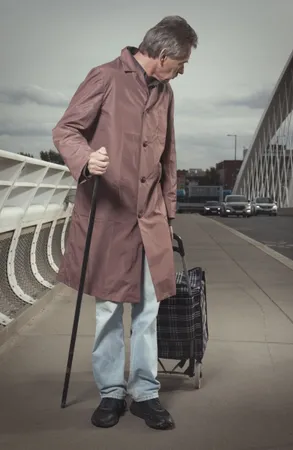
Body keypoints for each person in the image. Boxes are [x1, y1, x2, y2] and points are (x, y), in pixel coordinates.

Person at [52, 15, 198, 431]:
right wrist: (85, 159)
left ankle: (146, 393)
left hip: (150, 217)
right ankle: (111, 393)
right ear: (165, 54)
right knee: (110, 309)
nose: (183, 70)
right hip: (110, 214)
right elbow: (66, 130)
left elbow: (169, 156)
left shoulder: (165, 92)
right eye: (182, 62)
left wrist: (168, 217)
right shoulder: (105, 77)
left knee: (150, 310)